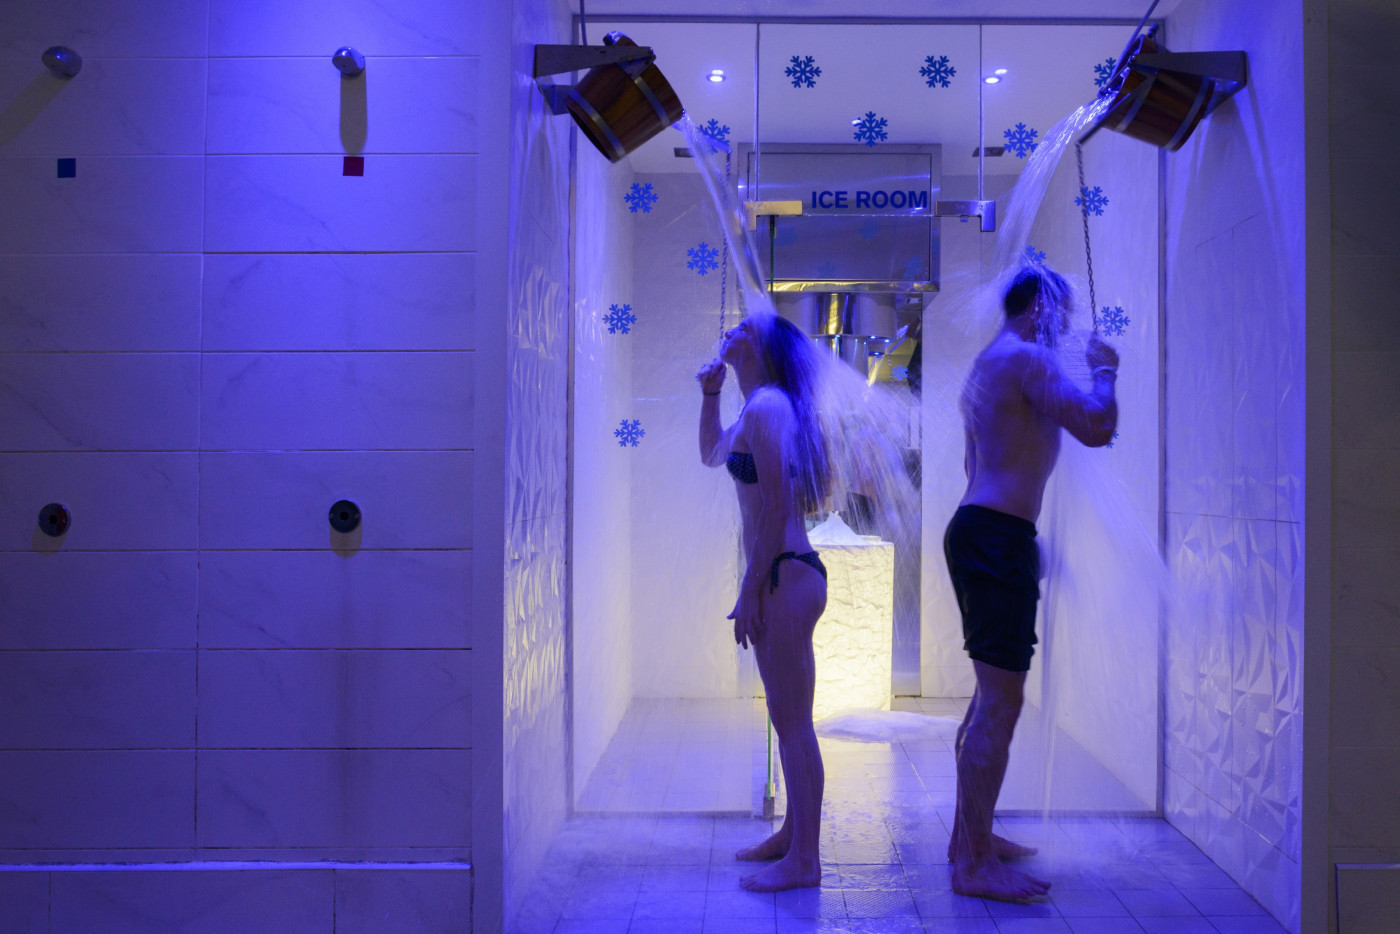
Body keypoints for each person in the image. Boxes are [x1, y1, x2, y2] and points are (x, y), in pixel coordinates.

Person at [944, 264, 1119, 903]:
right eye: (1064, 315)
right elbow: (1098, 426)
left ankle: (971, 839)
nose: (1068, 328)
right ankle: (973, 862)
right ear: (1041, 308)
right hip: (996, 535)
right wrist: (1106, 369)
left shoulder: (989, 363)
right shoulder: (1026, 361)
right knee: (1001, 702)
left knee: (989, 695)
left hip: (979, 528)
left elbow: (972, 460)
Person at [696, 312, 833, 892]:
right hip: (782, 573)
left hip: (784, 574)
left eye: (743, 327)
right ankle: (792, 838)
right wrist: (710, 396)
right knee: (786, 718)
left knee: (794, 723)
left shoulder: (770, 406)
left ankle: (805, 860)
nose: (731, 327)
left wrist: (750, 590)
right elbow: (712, 455)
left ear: (763, 349)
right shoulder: (758, 407)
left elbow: (778, 507)